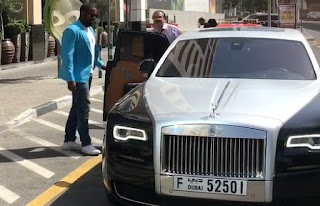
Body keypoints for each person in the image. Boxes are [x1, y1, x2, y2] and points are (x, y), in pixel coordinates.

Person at [58, 3, 106, 155]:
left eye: (95, 15)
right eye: (92, 15)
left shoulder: (90, 30)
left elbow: (92, 52)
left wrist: (100, 65)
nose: (94, 18)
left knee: (76, 107)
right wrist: (70, 78)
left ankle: (69, 140)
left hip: (88, 74)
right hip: (78, 78)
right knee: (83, 109)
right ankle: (86, 143)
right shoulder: (72, 31)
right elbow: (67, 57)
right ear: (83, 13)